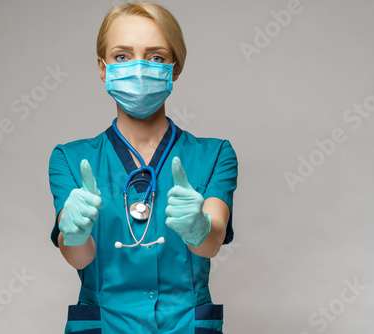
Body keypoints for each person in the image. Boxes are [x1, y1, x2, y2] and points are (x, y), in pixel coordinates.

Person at [48, 2, 238, 333]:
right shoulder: (69, 158)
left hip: (184, 325)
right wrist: (74, 233)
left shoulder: (215, 154)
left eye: (156, 57)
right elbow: (79, 257)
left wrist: (199, 227)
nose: (138, 68)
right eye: (122, 56)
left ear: (175, 68)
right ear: (102, 67)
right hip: (106, 324)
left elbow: (211, 243)